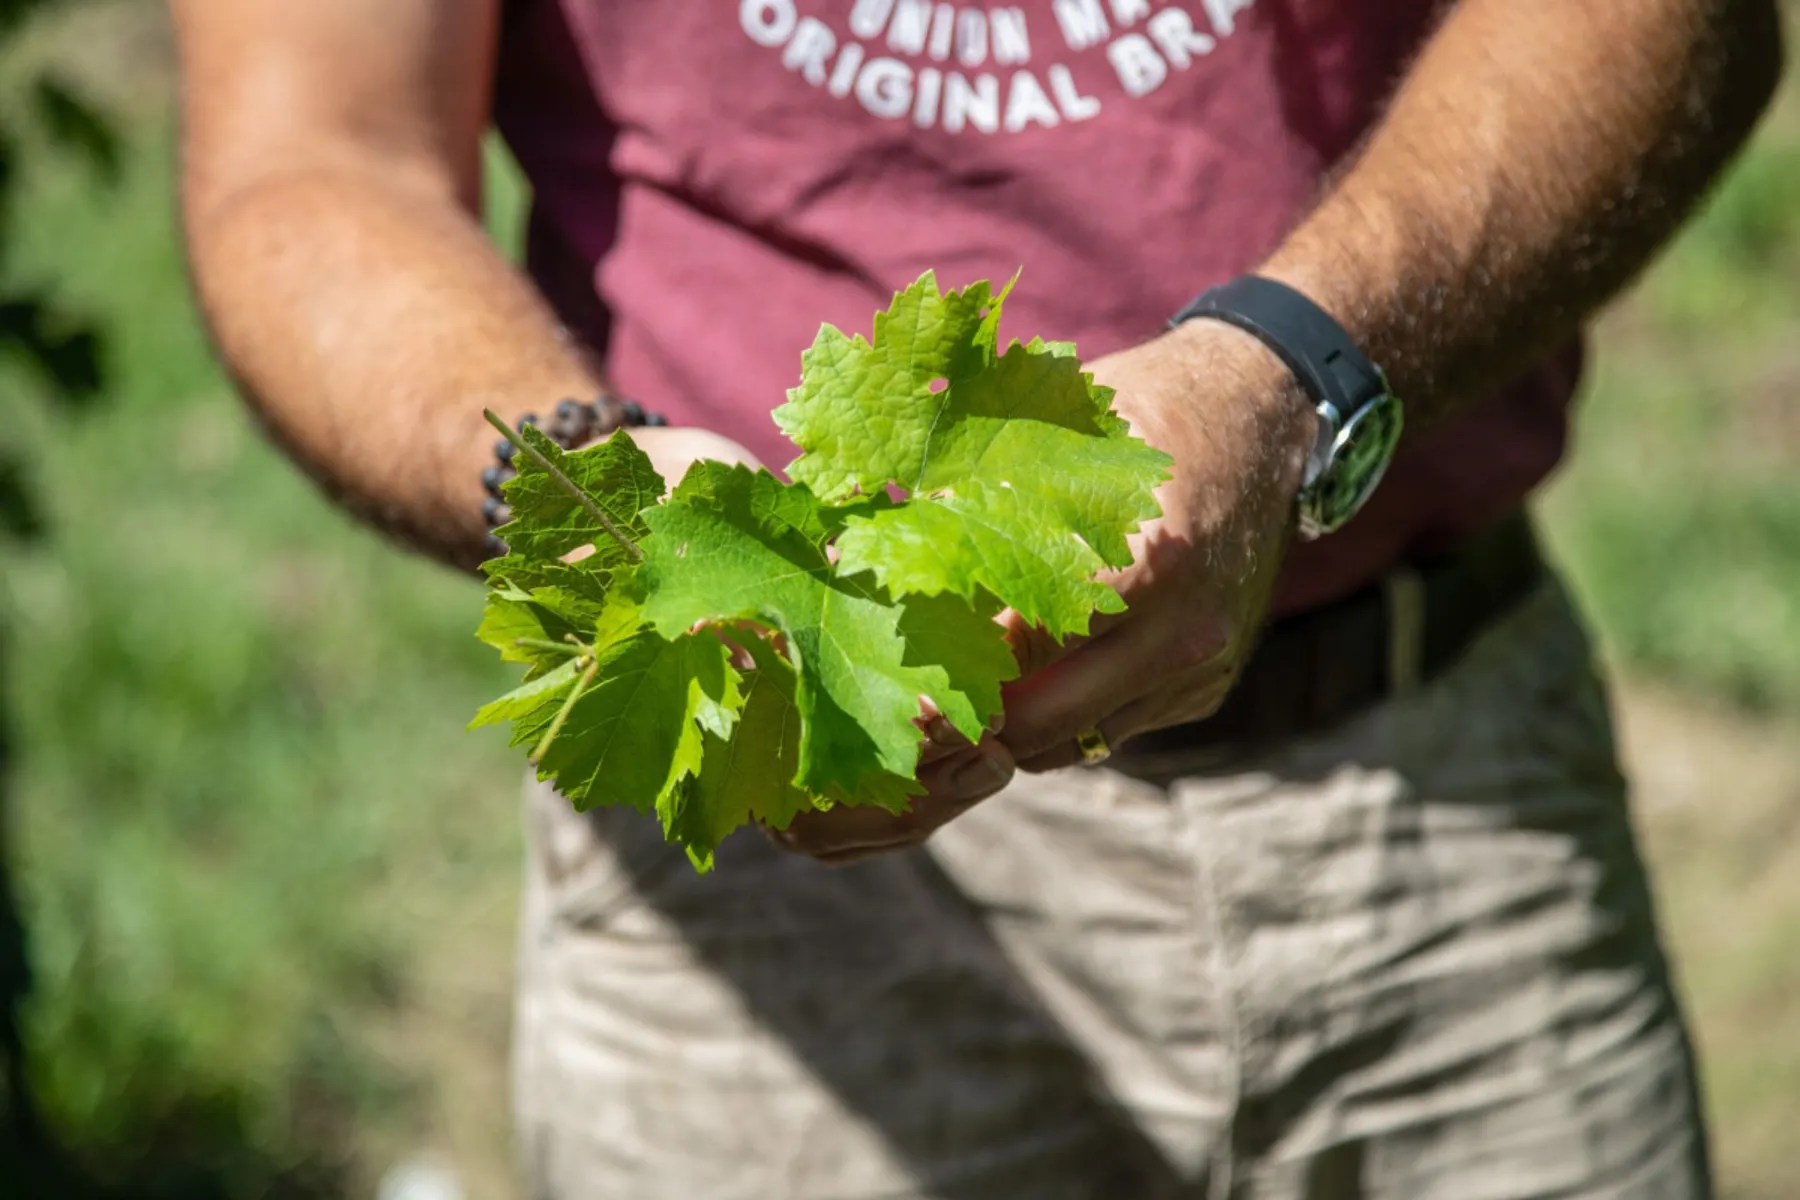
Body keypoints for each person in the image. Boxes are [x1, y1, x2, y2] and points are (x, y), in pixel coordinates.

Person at [168, 1, 1781, 1195]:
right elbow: (311, 159)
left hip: (1432, 795)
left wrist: (1289, 378)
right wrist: (590, 506)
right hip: (754, 876)